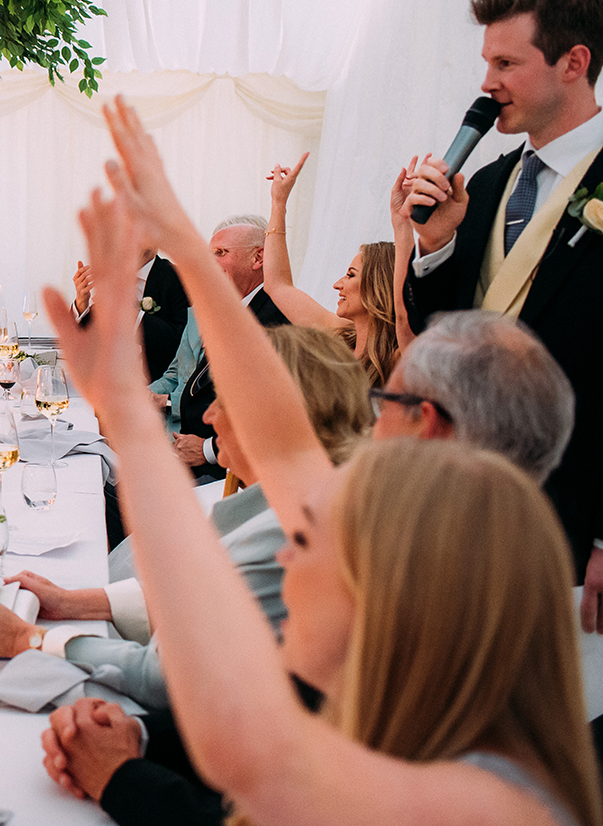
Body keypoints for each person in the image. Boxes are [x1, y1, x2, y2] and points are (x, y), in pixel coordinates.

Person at [39, 95, 600, 826]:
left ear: (427, 425)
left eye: (387, 398)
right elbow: (278, 434)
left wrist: (123, 772)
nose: (287, 558)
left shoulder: (425, 562)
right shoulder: (461, 526)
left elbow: (256, 760)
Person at [0, 325, 371, 714]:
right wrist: (75, 602)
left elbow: (165, 676)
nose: (208, 418)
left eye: (223, 402)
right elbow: (201, 604)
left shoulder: (291, 532)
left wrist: (24, 638)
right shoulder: (287, 500)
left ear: (270, 419)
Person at [400, 0, 603, 622]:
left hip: (573, 513)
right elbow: (439, 333)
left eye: (506, 63)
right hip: (463, 501)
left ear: (575, 63)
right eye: (488, 62)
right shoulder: (484, 184)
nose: (487, 84)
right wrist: (432, 246)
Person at [263, 153, 405, 384]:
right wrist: (279, 203)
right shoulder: (340, 336)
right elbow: (277, 284)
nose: (337, 284)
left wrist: (402, 225)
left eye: (350, 275)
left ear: (379, 284)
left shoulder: (400, 358)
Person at [164, 214, 288, 477]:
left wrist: (207, 450)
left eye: (221, 253)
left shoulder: (273, 320)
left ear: (258, 258)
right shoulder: (238, 311)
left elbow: (273, 417)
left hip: (226, 472)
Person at [74, 248, 189, 383]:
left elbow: (182, 342)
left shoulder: (179, 277)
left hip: (155, 390)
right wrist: (82, 303)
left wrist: (134, 315)